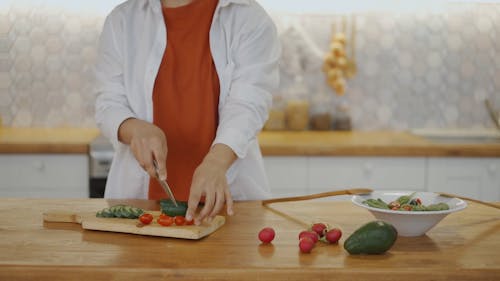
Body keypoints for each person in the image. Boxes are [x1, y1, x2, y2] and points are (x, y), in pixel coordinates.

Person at [94, 0, 280, 225]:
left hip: (230, 208)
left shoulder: (249, 18)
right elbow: (108, 102)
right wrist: (133, 129)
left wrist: (217, 162)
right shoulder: (121, 21)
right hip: (143, 209)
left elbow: (249, 103)